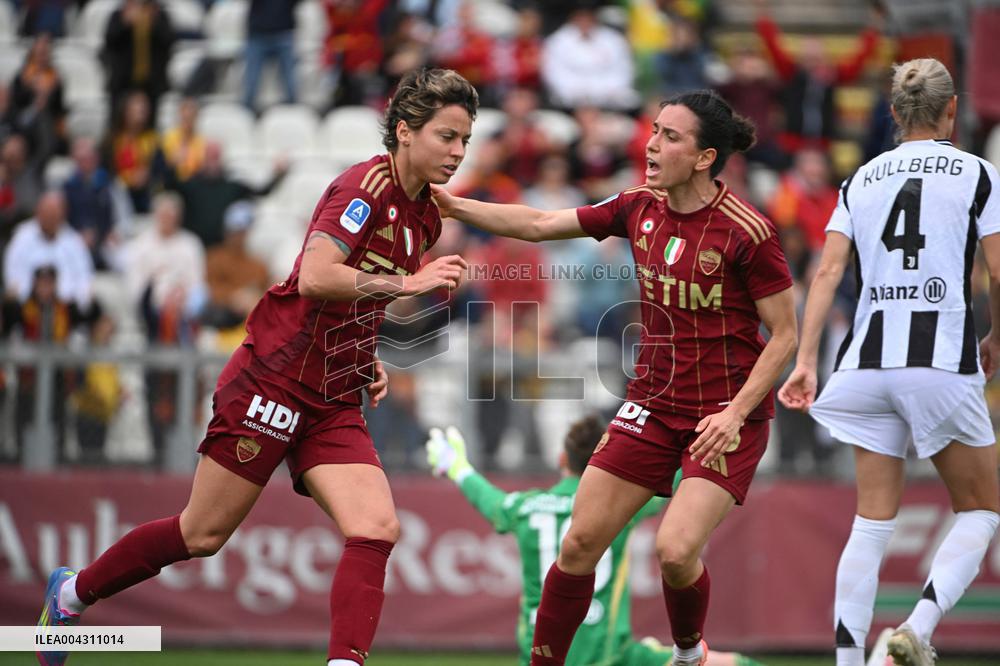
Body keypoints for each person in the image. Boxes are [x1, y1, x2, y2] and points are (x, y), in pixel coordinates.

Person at [35, 68, 479, 666]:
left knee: (376, 527)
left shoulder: (426, 214)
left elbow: (354, 296)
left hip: (334, 395)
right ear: (404, 130)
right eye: (447, 137)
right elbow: (317, 276)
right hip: (274, 378)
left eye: (465, 142)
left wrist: (362, 350)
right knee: (202, 535)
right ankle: (71, 595)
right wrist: (411, 281)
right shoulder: (363, 188)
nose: (457, 153)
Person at [433, 89, 797, 666]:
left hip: (724, 415)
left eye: (670, 136)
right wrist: (452, 206)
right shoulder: (638, 205)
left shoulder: (747, 232)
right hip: (651, 404)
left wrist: (735, 414)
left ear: (704, 157)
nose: (651, 144)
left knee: (676, 552)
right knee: (578, 542)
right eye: (653, 130)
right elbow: (538, 222)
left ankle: (687, 654)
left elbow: (785, 336)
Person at [778, 58, 1000, 666]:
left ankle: (851, 662)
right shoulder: (979, 173)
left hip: (864, 365)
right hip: (938, 360)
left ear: (895, 115)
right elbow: (999, 270)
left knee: (871, 523)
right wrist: (997, 337)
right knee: (982, 509)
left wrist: (804, 360)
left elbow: (825, 272)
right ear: (951, 110)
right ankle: (917, 628)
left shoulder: (860, 179)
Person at [425, 419, 765, 666]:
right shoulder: (627, 505)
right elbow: (686, 480)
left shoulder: (525, 508)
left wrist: (457, 467)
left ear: (562, 461)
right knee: (732, 663)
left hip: (542, 653)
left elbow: (490, 501)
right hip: (611, 654)